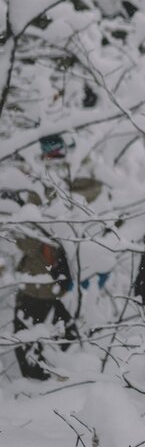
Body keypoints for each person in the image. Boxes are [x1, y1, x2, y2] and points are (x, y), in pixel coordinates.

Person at [1, 134, 105, 380]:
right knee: (65, 326)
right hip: (67, 274)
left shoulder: (44, 185)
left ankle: (41, 379)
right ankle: (53, 372)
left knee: (25, 332)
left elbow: (27, 236)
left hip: (40, 277)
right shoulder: (78, 183)